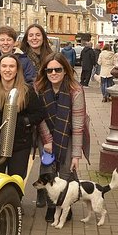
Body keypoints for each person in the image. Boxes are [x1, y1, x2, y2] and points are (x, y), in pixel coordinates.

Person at [35, 53, 89, 220]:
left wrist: (76, 155)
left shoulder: (76, 90)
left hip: (69, 135)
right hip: (46, 135)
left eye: (57, 69)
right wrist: (48, 141)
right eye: (48, 70)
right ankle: (52, 207)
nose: (53, 73)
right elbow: (39, 117)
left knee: (66, 171)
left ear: (65, 70)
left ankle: (66, 204)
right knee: (47, 169)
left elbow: (78, 124)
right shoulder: (39, 88)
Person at [0, 54, 45, 179]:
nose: (8, 70)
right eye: (4, 66)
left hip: (20, 145)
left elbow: (39, 113)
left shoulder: (27, 91)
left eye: (11, 66)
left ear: (17, 70)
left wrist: (24, 122)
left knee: (16, 179)